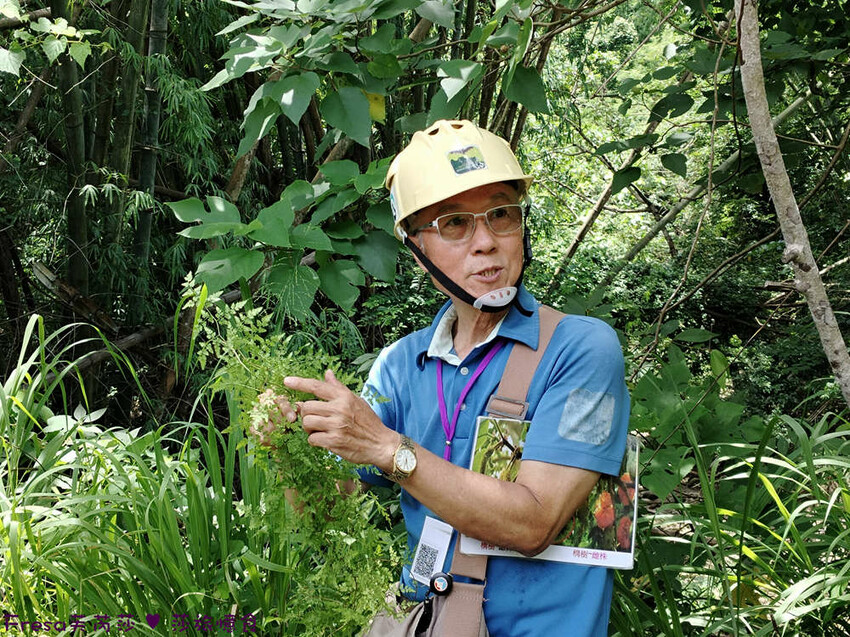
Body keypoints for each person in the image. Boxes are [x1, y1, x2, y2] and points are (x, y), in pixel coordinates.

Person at [270, 120, 629, 636]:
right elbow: (328, 513)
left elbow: (534, 523)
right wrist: (290, 451)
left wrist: (391, 449)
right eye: (455, 224)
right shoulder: (400, 364)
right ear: (416, 249)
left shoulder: (579, 350)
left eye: (501, 214)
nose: (485, 241)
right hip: (425, 621)